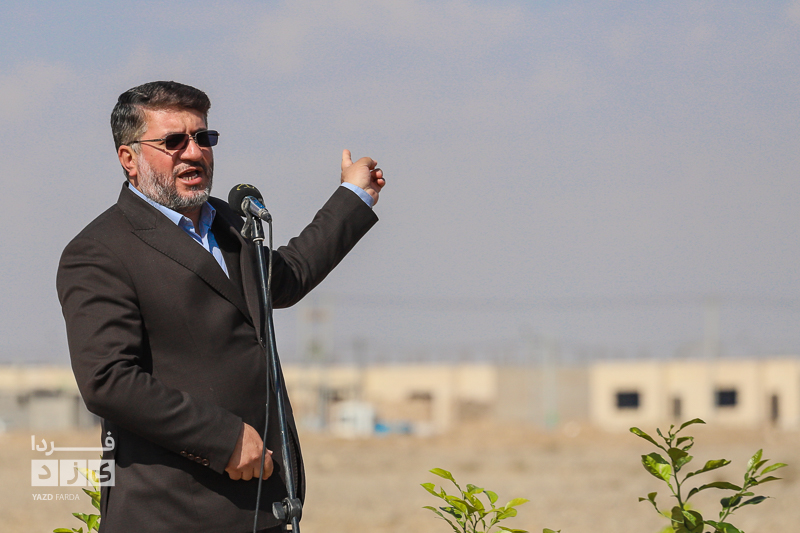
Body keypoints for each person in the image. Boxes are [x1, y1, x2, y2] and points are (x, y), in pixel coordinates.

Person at [56, 81, 384, 533]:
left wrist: (353, 196)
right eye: (173, 141)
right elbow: (108, 381)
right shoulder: (99, 251)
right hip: (172, 514)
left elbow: (284, 278)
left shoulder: (229, 223)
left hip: (264, 505)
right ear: (129, 158)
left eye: (203, 137)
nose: (194, 153)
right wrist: (223, 438)